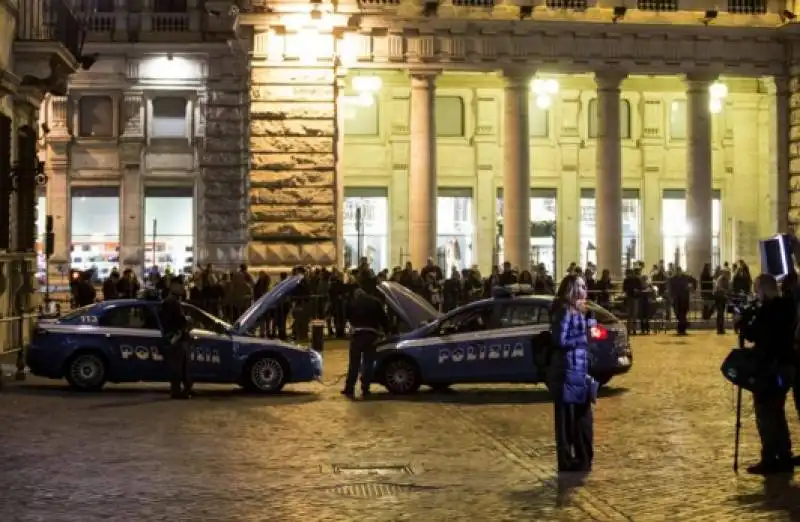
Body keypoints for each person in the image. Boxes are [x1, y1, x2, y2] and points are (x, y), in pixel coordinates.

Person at [740, 273, 796, 474]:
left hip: (769, 367)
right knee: (777, 411)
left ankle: (771, 456)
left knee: (765, 413)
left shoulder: (769, 311)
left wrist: (746, 318)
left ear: (763, 289)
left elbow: (753, 334)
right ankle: (784, 454)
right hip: (785, 366)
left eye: (757, 289)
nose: (755, 293)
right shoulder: (787, 307)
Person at [549, 274, 597, 473]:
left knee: (582, 418)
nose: (585, 289)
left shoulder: (581, 311)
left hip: (579, 371)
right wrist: (582, 339)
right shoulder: (564, 310)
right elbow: (559, 341)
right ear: (570, 288)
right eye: (580, 286)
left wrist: (590, 330)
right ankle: (566, 461)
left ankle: (582, 458)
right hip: (566, 372)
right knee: (565, 420)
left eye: (585, 285)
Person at [342, 276, 390, 399]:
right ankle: (366, 388)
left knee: (354, 363)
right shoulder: (376, 302)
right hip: (372, 336)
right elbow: (384, 320)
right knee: (368, 363)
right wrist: (388, 331)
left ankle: (349, 388)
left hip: (357, 335)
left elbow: (347, 317)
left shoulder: (353, 302)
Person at [159, 276, 193, 399]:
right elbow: (170, 321)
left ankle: (182, 390)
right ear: (174, 286)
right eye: (181, 285)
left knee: (182, 367)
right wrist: (185, 320)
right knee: (177, 367)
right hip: (176, 338)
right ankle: (177, 391)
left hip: (178, 337)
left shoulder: (173, 301)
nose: (183, 288)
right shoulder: (170, 302)